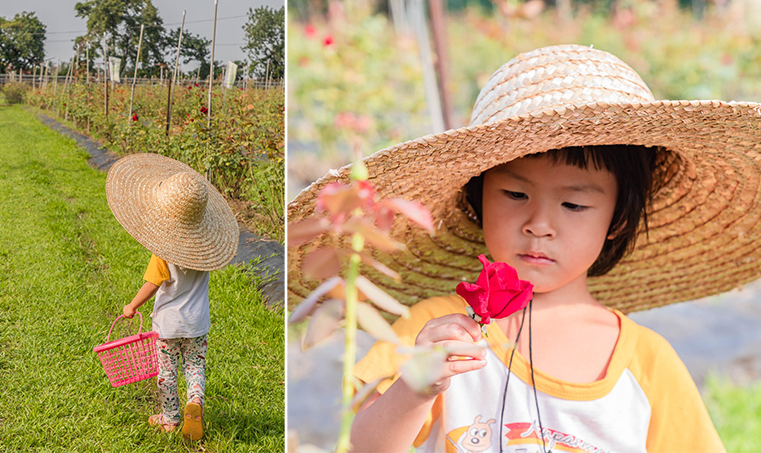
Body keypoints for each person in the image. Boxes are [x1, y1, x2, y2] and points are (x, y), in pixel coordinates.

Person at [286, 44, 761, 451]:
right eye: (515, 195)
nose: (539, 225)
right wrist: (413, 389)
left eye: (574, 204)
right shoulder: (435, 333)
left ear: (617, 220)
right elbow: (363, 445)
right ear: (478, 200)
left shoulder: (647, 362)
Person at [105, 153, 239, 441]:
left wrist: (131, 306)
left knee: (166, 372)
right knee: (195, 367)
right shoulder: (204, 253)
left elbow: (152, 284)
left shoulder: (163, 253)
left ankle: (170, 417)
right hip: (197, 324)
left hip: (167, 325)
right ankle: (196, 402)